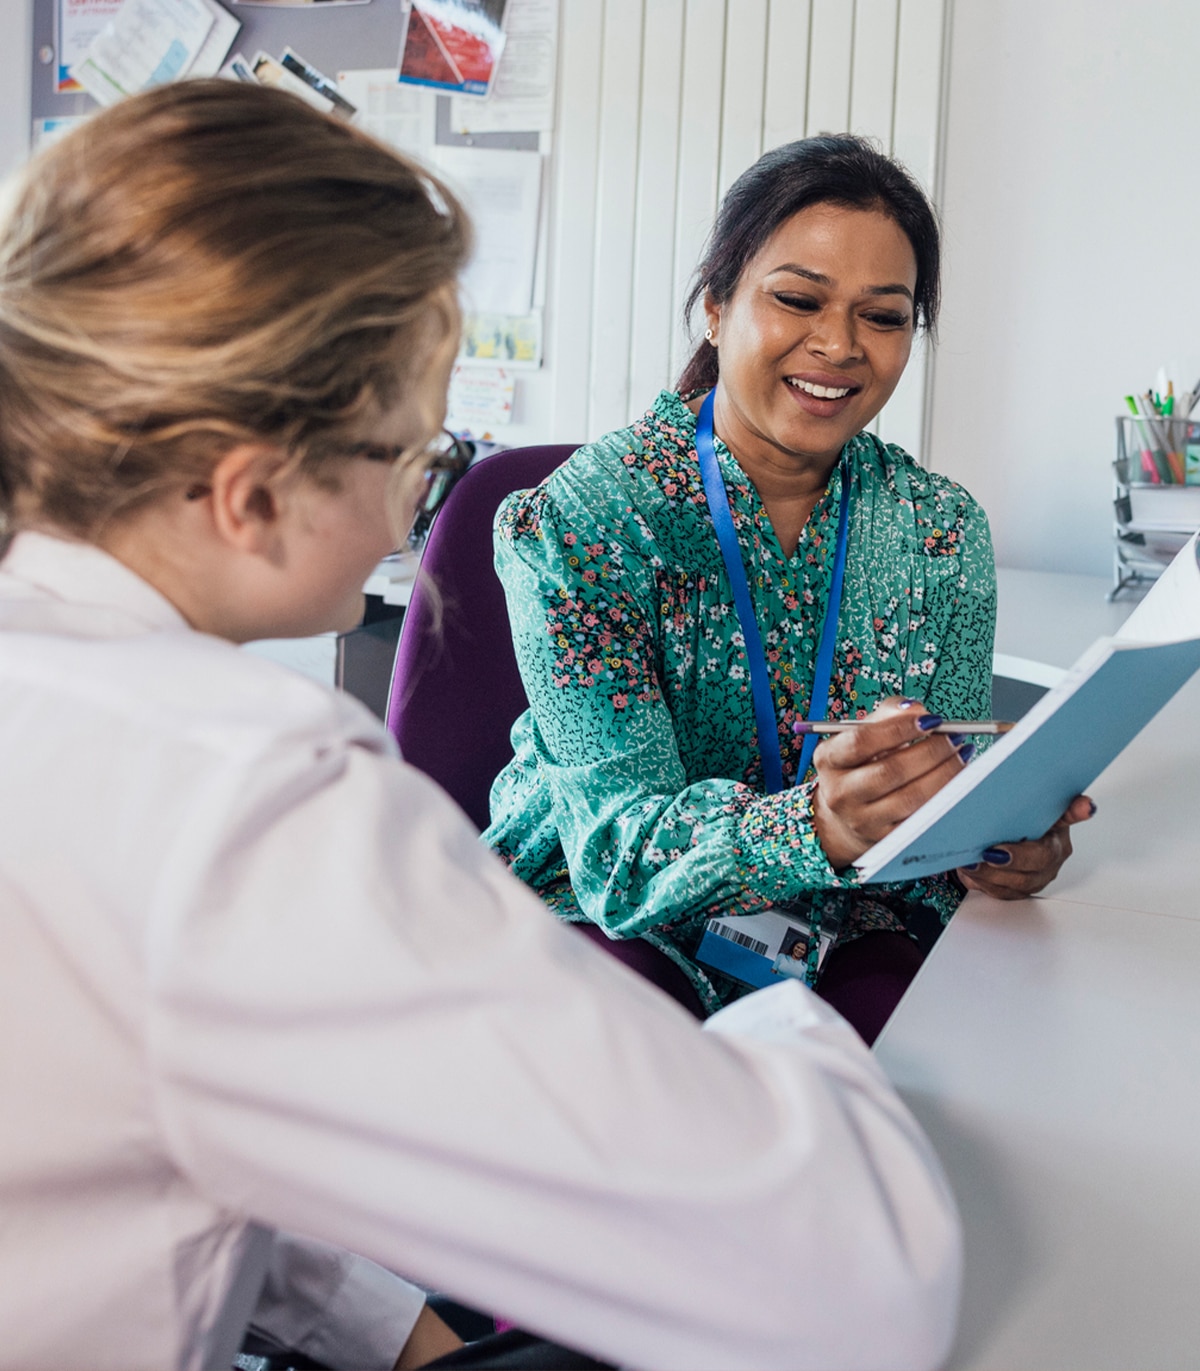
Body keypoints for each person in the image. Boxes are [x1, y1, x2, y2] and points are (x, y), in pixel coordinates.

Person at [0, 84, 962, 1371]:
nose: (417, 520)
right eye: (419, 451)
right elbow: (852, 1285)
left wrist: (393, 1329)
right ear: (250, 493)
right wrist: (780, 1023)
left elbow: (121, 1122)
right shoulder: (252, 789)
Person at [484, 136, 1092, 1030]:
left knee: (958, 1074)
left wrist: (999, 839)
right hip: (604, 922)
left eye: (883, 317)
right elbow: (616, 852)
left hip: (842, 919)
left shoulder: (940, 529)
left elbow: (952, 777)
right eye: (799, 299)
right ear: (716, 307)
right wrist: (815, 826)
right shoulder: (586, 522)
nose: (840, 345)